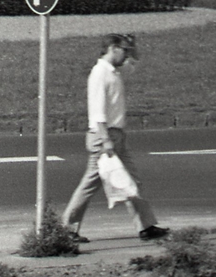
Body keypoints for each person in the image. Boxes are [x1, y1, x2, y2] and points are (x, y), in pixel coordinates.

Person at [61, 34, 168, 243]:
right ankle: (66, 229)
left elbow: (134, 62)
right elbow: (97, 112)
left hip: (116, 135)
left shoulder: (113, 72)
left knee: (132, 181)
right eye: (124, 51)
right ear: (112, 48)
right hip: (104, 136)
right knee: (90, 184)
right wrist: (106, 140)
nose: (127, 55)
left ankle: (146, 227)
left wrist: (132, 48)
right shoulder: (100, 73)